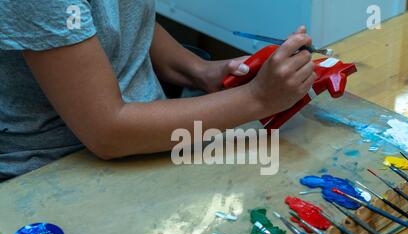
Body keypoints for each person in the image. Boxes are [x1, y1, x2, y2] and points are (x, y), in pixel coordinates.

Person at [0, 0, 316, 181]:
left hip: (150, 138)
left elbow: (127, 17)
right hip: (57, 171)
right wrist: (256, 98)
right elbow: (108, 132)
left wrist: (199, 71)